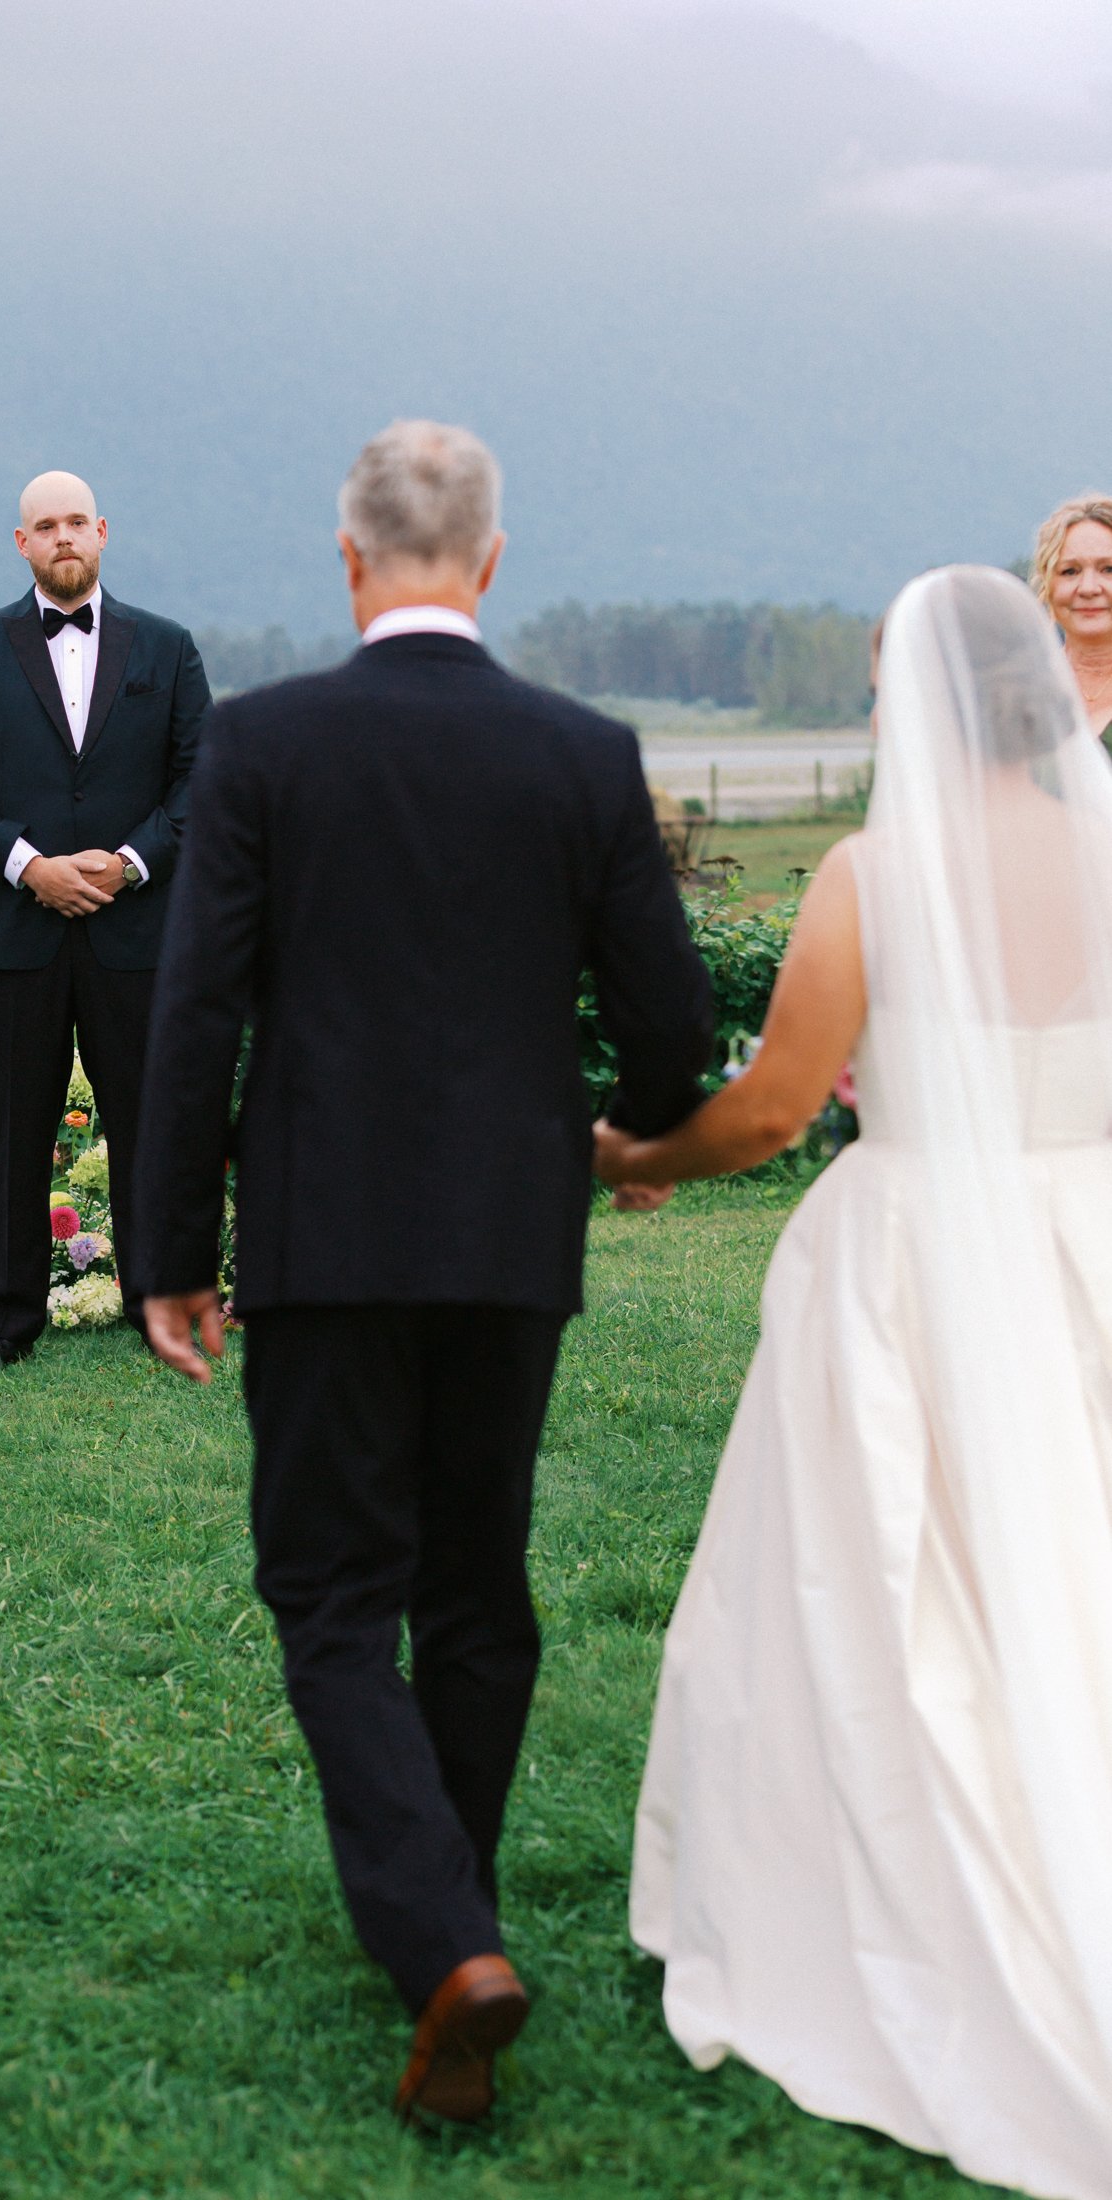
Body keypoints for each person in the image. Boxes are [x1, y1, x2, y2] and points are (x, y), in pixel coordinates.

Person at [133, 421, 714, 2122]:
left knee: (332, 1601)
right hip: (508, 1234)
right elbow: (670, 1011)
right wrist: (638, 1131)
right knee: (479, 1589)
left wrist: (169, 1249)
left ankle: (446, 1941)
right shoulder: (583, 753)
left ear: (346, 557)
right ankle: (447, 1913)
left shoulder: (263, 745)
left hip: (323, 1239)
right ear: (493, 557)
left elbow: (197, 1015)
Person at [598, 566, 1112, 2200]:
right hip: (1090, 1230)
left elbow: (770, 1106)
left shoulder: (878, 873)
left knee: (889, 1582)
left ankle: (925, 1876)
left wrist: (640, 1151)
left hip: (919, 1255)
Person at [0, 471, 210, 1368]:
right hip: (16, 934)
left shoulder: (167, 647)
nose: (63, 538)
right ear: (22, 544)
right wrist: (29, 867)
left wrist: (128, 864)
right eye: (44, 526)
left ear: (104, 532)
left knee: (147, 1123)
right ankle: (7, 1321)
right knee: (17, 1126)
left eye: (76, 522)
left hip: (140, 931)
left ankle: (157, 1307)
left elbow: (203, 782)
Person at [1032, 492, 1112, 744]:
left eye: (1108, 569)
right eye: (1070, 571)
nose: (1089, 588)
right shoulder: (1020, 692)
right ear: (1047, 584)